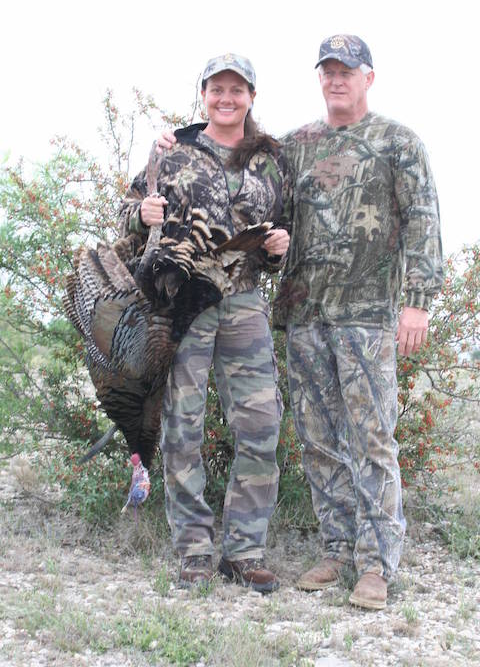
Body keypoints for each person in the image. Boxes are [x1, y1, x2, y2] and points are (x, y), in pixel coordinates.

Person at [272, 35, 443, 609]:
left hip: (368, 316)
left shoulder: (399, 142)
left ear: (369, 77)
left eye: (347, 70)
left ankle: (376, 564)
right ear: (319, 78)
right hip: (306, 312)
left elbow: (422, 219)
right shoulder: (296, 146)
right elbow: (248, 178)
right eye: (328, 70)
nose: (336, 79)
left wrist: (416, 300)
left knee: (372, 438)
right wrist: (181, 138)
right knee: (319, 438)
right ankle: (337, 549)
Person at [119, 53, 290, 593]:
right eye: (217, 88)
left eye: (237, 90)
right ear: (203, 94)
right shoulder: (174, 151)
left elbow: (282, 233)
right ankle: (193, 551)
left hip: (243, 304)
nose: (226, 98)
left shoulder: (270, 161)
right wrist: (140, 213)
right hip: (183, 306)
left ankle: (244, 552)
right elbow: (128, 218)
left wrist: (280, 250)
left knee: (261, 429)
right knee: (181, 428)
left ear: (251, 97)